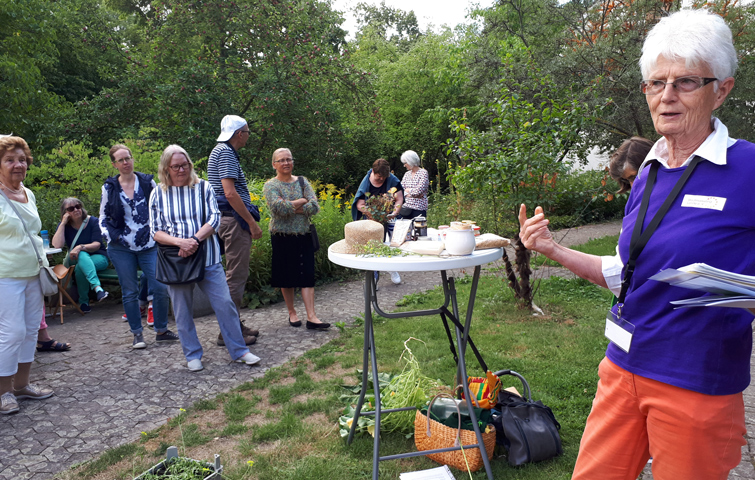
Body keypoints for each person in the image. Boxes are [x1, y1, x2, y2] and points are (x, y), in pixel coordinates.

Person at [519, 9, 750, 479]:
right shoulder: (647, 173)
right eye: (655, 82)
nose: (666, 96)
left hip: (695, 382)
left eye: (685, 82)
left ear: (721, 89)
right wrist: (552, 250)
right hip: (622, 368)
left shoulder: (748, 169)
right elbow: (627, 271)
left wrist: (729, 290)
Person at [149, 144, 260, 372]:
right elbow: (155, 230)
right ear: (166, 168)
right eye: (176, 166)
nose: (182, 170)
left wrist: (194, 241)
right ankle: (192, 354)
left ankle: (239, 351)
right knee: (182, 310)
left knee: (225, 304)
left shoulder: (204, 187)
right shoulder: (157, 193)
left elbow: (214, 218)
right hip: (176, 261)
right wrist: (181, 242)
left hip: (207, 257)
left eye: (185, 165)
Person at [100, 144, 178, 349]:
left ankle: (161, 330)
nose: (126, 162)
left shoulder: (146, 181)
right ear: (114, 164)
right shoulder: (109, 187)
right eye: (120, 160)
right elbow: (103, 218)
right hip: (121, 246)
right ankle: (137, 334)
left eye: (128, 158)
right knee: (130, 290)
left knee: (161, 286)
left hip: (150, 243)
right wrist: (112, 237)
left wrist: (164, 232)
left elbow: (161, 208)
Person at [0, 135, 54, 414]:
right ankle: (3, 392)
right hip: (5, 275)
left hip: (34, 272)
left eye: (21, 159)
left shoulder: (28, 193)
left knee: (32, 329)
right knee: (12, 332)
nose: (17, 165)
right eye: (9, 160)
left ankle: (22, 386)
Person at [207, 115, 262, 347]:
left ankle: (234, 323)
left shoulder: (218, 151)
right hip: (234, 220)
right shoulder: (226, 153)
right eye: (247, 131)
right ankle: (228, 331)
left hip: (225, 219)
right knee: (236, 277)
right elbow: (229, 193)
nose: (248, 135)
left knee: (232, 276)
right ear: (239, 133)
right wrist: (251, 222)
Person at [263, 148, 328, 329]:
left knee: (307, 275)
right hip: (281, 236)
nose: (286, 163)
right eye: (281, 160)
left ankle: (312, 317)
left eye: (288, 159)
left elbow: (314, 206)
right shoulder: (271, 186)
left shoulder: (302, 181)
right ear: (274, 164)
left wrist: (291, 206)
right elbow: (278, 209)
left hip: (304, 234)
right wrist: (301, 201)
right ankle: (292, 312)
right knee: (287, 276)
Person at [352, 158, 405, 285]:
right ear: (373, 172)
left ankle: (392, 269)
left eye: (384, 177)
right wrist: (371, 214)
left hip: (388, 218)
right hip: (370, 220)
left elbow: (399, 199)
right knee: (373, 247)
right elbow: (360, 204)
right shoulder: (366, 183)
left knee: (390, 245)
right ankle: (374, 278)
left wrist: (395, 212)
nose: (381, 179)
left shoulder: (392, 180)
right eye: (378, 177)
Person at [51, 198, 109, 313]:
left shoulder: (92, 221)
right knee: (81, 258)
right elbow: (57, 245)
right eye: (71, 209)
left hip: (99, 257)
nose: (76, 210)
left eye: (78, 206)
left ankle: (84, 302)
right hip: (75, 258)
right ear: (65, 212)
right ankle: (97, 288)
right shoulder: (65, 226)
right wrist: (63, 223)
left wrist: (80, 247)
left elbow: (97, 244)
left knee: (80, 266)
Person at [399, 150, 429, 219]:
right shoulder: (406, 174)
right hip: (406, 209)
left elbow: (418, 191)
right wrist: (412, 193)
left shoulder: (423, 173)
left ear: (410, 161)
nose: (404, 165)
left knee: (418, 229)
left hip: (419, 209)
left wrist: (408, 191)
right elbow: (401, 190)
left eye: (405, 163)